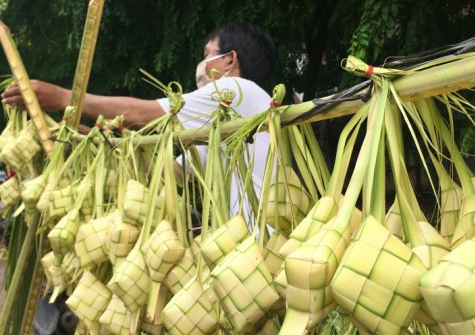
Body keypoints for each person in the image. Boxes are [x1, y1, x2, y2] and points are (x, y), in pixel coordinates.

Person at [2, 20, 276, 226]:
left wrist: (63, 97)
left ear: (229, 59)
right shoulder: (222, 123)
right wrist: (93, 138)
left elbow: (147, 115)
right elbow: (173, 173)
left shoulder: (237, 90)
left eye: (207, 55)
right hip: (244, 245)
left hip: (260, 238)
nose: (202, 63)